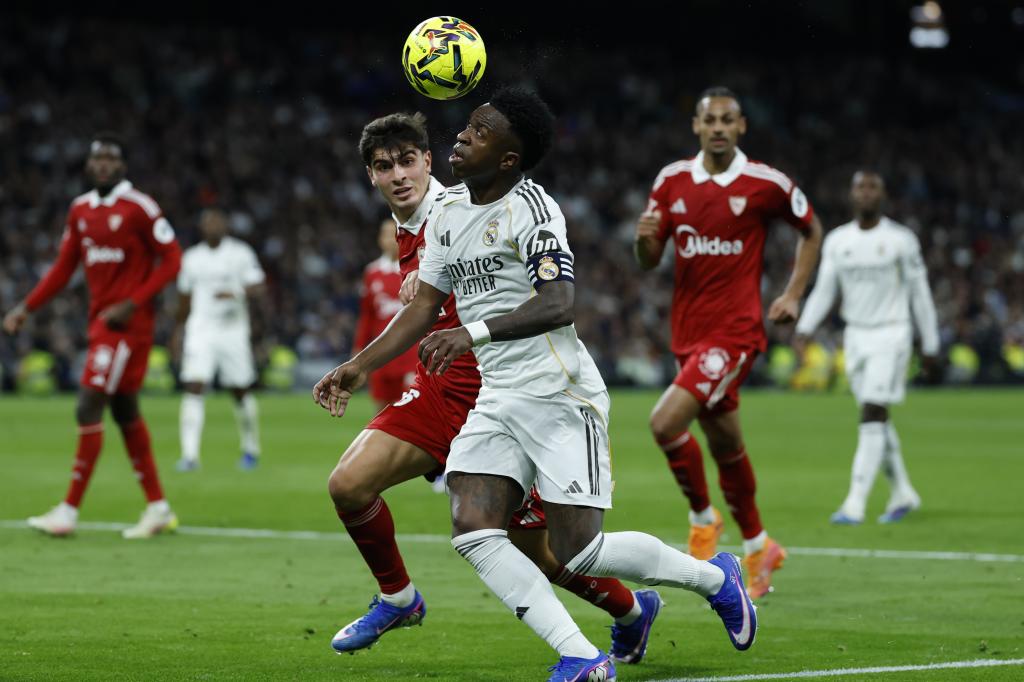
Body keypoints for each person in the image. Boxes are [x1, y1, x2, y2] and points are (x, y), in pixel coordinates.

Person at [316, 89, 757, 681]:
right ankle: (581, 656)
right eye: (467, 126)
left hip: (557, 392)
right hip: (494, 398)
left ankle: (712, 577)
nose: (462, 136)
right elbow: (424, 307)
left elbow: (560, 303)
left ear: (507, 158)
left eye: (477, 131)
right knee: (474, 532)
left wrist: (470, 334)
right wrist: (357, 366)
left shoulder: (534, 210)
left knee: (579, 551)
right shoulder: (446, 216)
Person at [635, 86, 823, 598]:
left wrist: (792, 294)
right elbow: (648, 258)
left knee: (664, 422)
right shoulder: (671, 181)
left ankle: (702, 520)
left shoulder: (765, 183)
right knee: (725, 444)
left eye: (727, 120)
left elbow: (811, 229)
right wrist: (644, 237)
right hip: (687, 334)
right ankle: (762, 546)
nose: (718, 127)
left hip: (736, 333)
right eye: (709, 120)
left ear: (741, 126)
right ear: (695, 126)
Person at [2, 132, 181, 539]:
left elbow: (172, 260)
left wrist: (133, 302)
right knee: (124, 412)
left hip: (126, 327)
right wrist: (25, 308)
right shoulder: (80, 210)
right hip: (102, 324)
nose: (103, 165)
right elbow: (64, 267)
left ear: (122, 166)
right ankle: (158, 507)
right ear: (88, 166)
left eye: (110, 159)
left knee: (87, 405)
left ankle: (67, 512)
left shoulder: (139, 207)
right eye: (97, 158)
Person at [794, 170, 939, 524]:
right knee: (877, 419)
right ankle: (903, 491)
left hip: (892, 334)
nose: (866, 193)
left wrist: (931, 341)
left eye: (873, 187)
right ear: (851, 194)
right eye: (860, 186)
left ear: (883, 195)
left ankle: (854, 503)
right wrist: (804, 328)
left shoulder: (901, 240)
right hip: (855, 337)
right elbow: (825, 289)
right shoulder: (838, 241)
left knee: (872, 411)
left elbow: (920, 293)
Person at [173, 206, 265, 472]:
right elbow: (183, 298)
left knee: (239, 389)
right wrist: (177, 332)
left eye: (217, 221)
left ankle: (250, 449)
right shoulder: (191, 258)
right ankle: (189, 456)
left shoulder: (240, 253)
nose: (212, 226)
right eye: (208, 222)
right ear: (201, 228)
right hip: (200, 330)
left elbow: (258, 285)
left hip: (233, 331)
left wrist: (236, 291)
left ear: (225, 226)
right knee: (193, 385)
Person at [353, 218, 418, 413]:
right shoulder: (372, 272)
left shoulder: (417, 270)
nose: (390, 240)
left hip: (410, 353)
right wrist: (358, 349)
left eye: (394, 234)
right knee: (381, 410)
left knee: (412, 409)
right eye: (385, 235)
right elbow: (367, 316)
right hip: (381, 352)